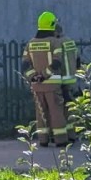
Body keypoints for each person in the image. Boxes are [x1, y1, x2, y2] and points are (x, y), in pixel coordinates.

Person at [22, 11, 68, 147]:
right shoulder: (54, 42)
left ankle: (43, 140)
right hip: (52, 85)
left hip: (36, 85)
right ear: (52, 25)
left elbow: (25, 64)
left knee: (41, 113)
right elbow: (57, 62)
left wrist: (33, 77)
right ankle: (61, 140)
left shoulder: (30, 43)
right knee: (56, 112)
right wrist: (44, 75)